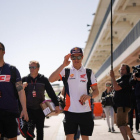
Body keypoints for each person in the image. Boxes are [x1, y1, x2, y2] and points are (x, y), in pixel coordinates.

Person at [49, 47, 99, 140]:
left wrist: (89, 96)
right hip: (70, 111)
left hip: (85, 111)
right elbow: (51, 79)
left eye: (78, 57)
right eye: (73, 57)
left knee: (85, 136)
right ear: (70, 58)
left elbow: (96, 91)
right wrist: (63, 64)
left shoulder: (88, 72)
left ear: (82, 57)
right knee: (69, 136)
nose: (76, 59)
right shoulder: (66, 71)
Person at [21, 60, 60, 140]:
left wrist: (56, 105)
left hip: (40, 110)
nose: (31, 69)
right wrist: (22, 87)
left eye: (34, 67)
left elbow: (51, 93)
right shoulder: (24, 79)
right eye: (30, 67)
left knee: (40, 131)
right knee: (29, 133)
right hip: (28, 110)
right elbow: (17, 93)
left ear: (38, 68)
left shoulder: (44, 79)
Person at [0, 42, 29, 140]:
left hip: (11, 111)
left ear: (4, 52)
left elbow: (20, 91)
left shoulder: (12, 69)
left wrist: (24, 109)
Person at [110, 63, 135, 140]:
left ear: (127, 71)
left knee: (120, 124)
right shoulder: (122, 79)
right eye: (120, 69)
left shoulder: (126, 79)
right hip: (122, 105)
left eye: (123, 69)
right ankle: (131, 138)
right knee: (123, 124)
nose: (121, 71)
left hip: (123, 105)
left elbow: (117, 88)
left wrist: (113, 77)